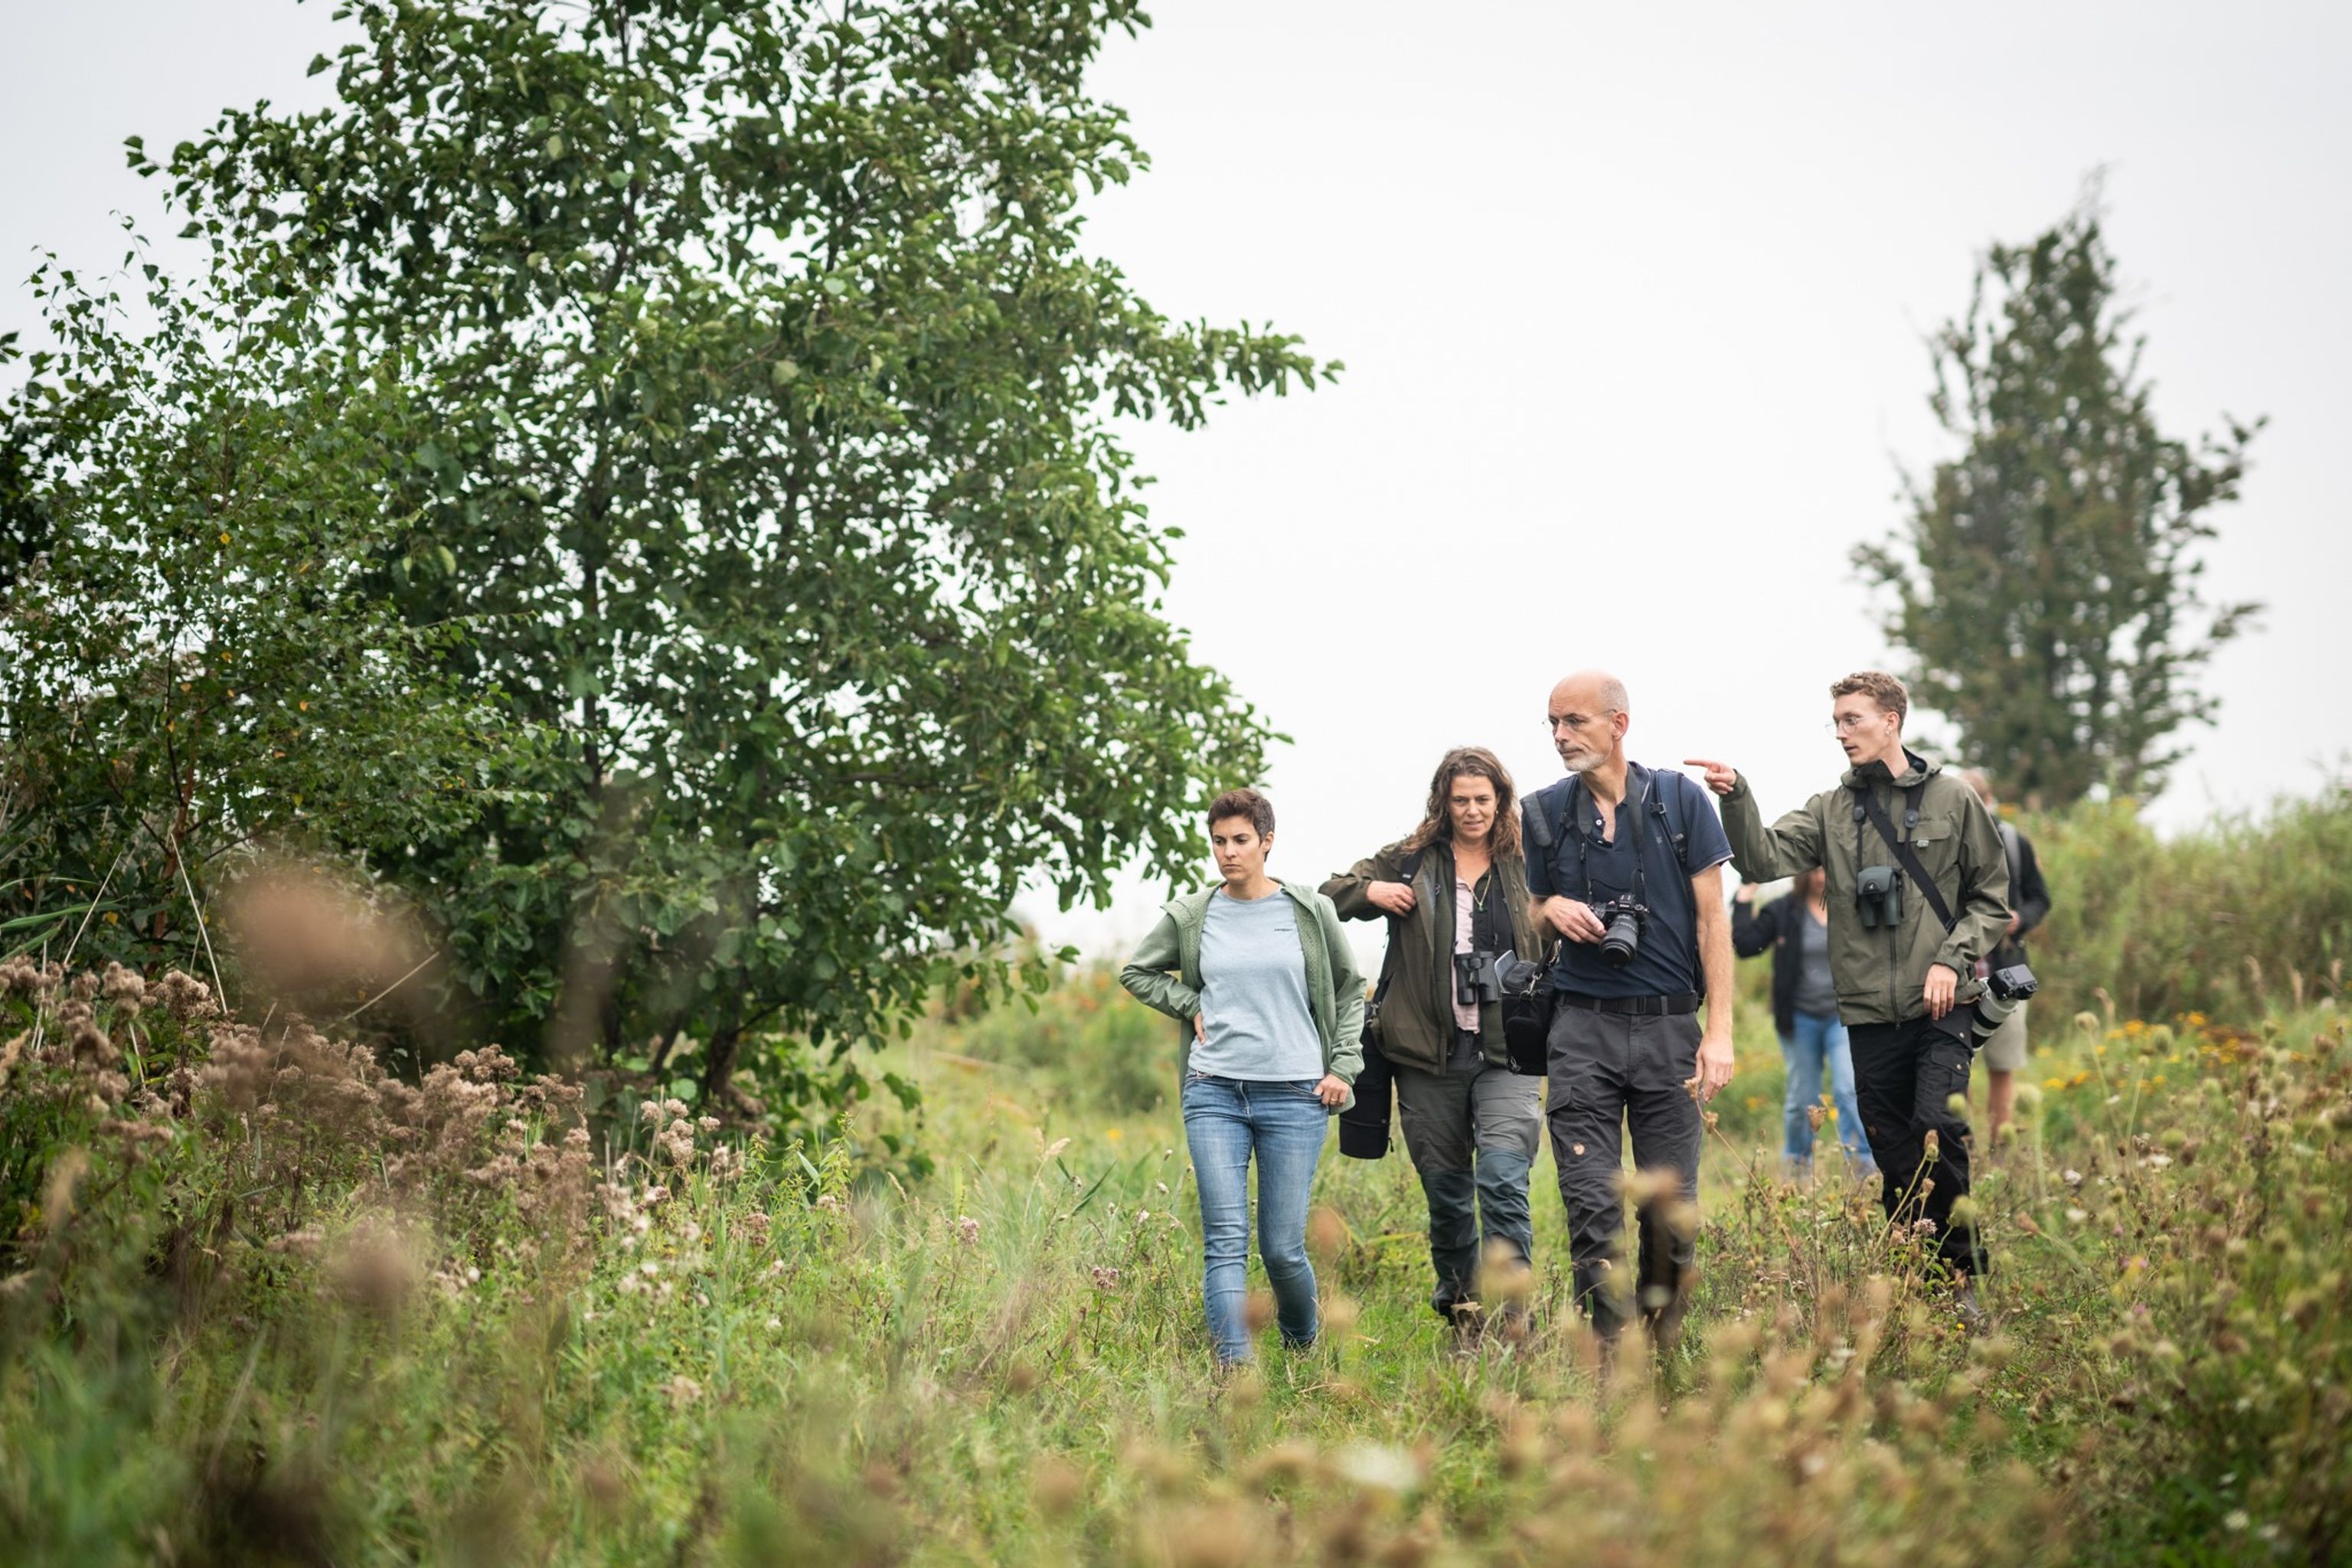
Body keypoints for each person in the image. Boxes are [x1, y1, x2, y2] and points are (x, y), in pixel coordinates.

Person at [1686, 671, 2010, 1306]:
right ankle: (1916, 1279)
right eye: (1835, 722)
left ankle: (1962, 1281)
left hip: (1943, 1002)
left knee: (1935, 1128)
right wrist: (1737, 795)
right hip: (1865, 1013)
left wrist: (1951, 960)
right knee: (1891, 1150)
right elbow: (1761, 860)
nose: (1841, 733)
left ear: (1892, 721)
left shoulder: (1952, 799)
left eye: (1852, 720)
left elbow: (1992, 899)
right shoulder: (1830, 811)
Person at [1524, 671, 1737, 1346]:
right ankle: (1612, 1366)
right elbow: (1519, 913)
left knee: (1670, 1214)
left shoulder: (1681, 802)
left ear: (1618, 724)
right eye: (1553, 723)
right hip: (1580, 1028)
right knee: (1592, 1207)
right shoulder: (1541, 813)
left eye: (1575, 722)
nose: (1560, 736)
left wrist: (1721, 1032)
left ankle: (1662, 1344)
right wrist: (1547, 907)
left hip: (1672, 1027)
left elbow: (1713, 922)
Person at [1119, 788, 1365, 1367]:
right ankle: (1235, 1370)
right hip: (1214, 1091)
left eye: (1240, 841)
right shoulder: (1193, 914)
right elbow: (1137, 971)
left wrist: (1342, 1068)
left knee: (1281, 1250)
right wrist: (1187, 1002)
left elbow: (1352, 991)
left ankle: (1302, 1346)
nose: (1228, 853)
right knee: (1224, 1242)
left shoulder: (1309, 911)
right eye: (1218, 842)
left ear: (1267, 842)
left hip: (1297, 1097)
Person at [1321, 747, 1546, 1334]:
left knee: (1502, 1180)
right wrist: (1371, 895)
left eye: (1482, 799)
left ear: (1501, 801)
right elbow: (1332, 891)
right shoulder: (1412, 860)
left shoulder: (1529, 861)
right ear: (1442, 803)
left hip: (1509, 1053)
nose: (1472, 811)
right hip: (1426, 1057)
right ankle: (1463, 1312)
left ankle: (1515, 1320)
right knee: (1448, 1200)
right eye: (1461, 800)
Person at [1732, 869, 1876, 1180]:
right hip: (1799, 1019)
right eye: (1816, 868)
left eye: (1828, 866)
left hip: (1843, 1017)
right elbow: (1744, 944)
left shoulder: (1849, 907)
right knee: (1802, 1099)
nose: (1823, 875)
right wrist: (1746, 891)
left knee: (1849, 1090)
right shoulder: (1784, 910)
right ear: (1803, 872)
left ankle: (1865, 1168)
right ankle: (1797, 1171)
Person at [1959, 770, 2050, 1148]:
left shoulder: (2014, 842)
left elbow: (2039, 898)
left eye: (1978, 799)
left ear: (1990, 799)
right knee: (1952, 1072)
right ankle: (1957, 1153)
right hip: (1957, 973)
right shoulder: (1941, 842)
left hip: (2006, 969)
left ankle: (1999, 1156)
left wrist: (2021, 919)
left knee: (2003, 1066)